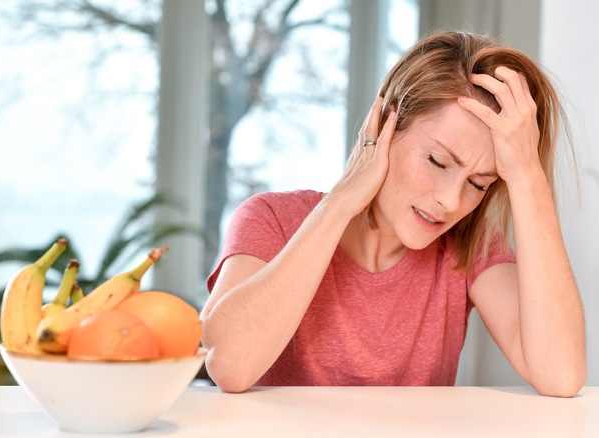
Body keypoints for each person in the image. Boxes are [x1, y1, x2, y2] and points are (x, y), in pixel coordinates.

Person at [200, 31, 587, 396]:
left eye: (478, 184)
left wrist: (526, 174)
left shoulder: (468, 247)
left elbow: (561, 374)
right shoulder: (272, 218)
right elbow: (229, 365)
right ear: (386, 122)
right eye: (437, 161)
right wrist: (340, 202)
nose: (452, 202)